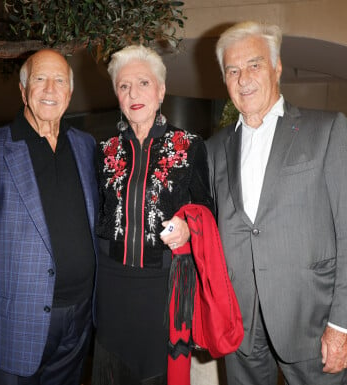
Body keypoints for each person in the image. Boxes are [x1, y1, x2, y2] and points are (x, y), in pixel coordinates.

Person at [206, 21, 347, 385]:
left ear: (277, 67)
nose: (243, 78)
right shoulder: (214, 149)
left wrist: (343, 324)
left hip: (313, 324)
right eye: (232, 70)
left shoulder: (327, 130)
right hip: (240, 325)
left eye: (254, 65)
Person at [0, 49, 98, 385]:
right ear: (23, 89)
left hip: (79, 319)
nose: (49, 89)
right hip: (13, 327)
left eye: (59, 81)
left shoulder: (86, 147)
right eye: (40, 79)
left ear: (70, 93)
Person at [92, 45, 213, 385]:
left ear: (161, 90)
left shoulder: (189, 145)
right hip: (113, 287)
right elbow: (100, 215)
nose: (134, 94)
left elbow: (206, 209)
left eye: (143, 83)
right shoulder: (104, 150)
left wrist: (189, 228)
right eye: (124, 86)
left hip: (165, 287)